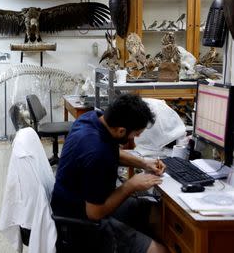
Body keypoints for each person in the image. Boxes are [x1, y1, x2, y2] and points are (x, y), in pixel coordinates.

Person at [51, 94, 168, 253]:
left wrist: (143, 162)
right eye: (136, 133)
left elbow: (111, 152)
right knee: (159, 251)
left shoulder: (91, 119)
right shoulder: (97, 154)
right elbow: (94, 213)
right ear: (121, 131)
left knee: (155, 213)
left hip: (79, 202)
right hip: (79, 224)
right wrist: (131, 185)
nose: (137, 137)